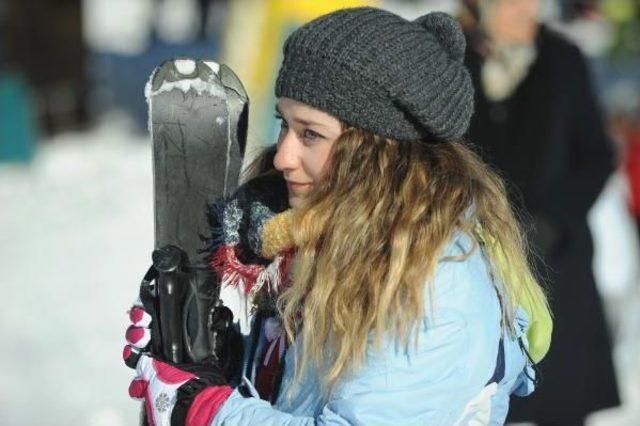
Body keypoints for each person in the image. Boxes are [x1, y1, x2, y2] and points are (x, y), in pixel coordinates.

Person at [123, 7, 552, 425]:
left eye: (310, 133)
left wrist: (202, 410)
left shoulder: (434, 280)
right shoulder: (344, 243)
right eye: (284, 125)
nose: (284, 156)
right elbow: (316, 391)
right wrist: (226, 361)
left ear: (378, 152)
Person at [459, 0, 619, 424]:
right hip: (477, 256)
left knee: (561, 398)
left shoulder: (563, 59)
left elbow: (596, 157)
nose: (524, 8)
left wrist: (553, 219)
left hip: (555, 255)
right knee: (486, 394)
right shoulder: (456, 56)